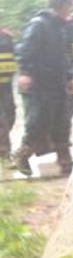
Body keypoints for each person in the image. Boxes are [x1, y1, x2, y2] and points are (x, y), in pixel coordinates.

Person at [11, 0, 73, 176]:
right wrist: (25, 73)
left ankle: (65, 160)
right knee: (38, 121)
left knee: (63, 121)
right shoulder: (38, 24)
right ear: (61, 5)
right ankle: (22, 155)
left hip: (57, 81)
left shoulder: (60, 27)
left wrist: (69, 76)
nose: (69, 11)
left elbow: (63, 55)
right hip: (39, 83)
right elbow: (24, 50)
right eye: (68, 6)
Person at [0, 27, 16, 166]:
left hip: (7, 83)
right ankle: (4, 152)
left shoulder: (7, 36)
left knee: (11, 114)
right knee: (2, 119)